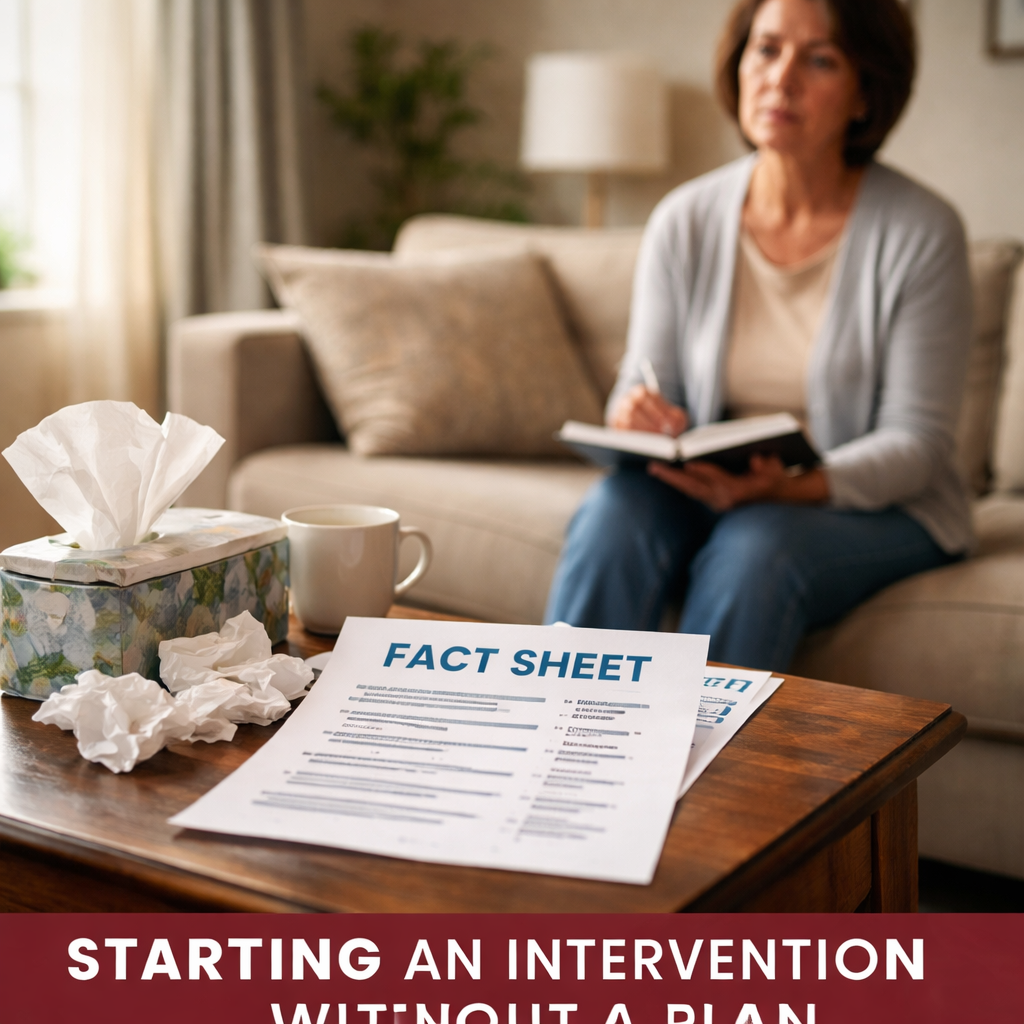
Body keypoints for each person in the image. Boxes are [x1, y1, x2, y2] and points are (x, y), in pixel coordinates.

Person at [544, 0, 973, 671]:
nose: (782, 77)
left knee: (755, 546)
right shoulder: (683, 219)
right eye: (767, 49)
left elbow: (916, 445)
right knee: (613, 513)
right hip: (723, 485)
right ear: (739, 63)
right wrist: (636, 413)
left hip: (878, 504)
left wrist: (791, 488)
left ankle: (699, 774)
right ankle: (557, 746)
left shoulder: (923, 233)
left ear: (865, 93)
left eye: (821, 59)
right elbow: (646, 382)